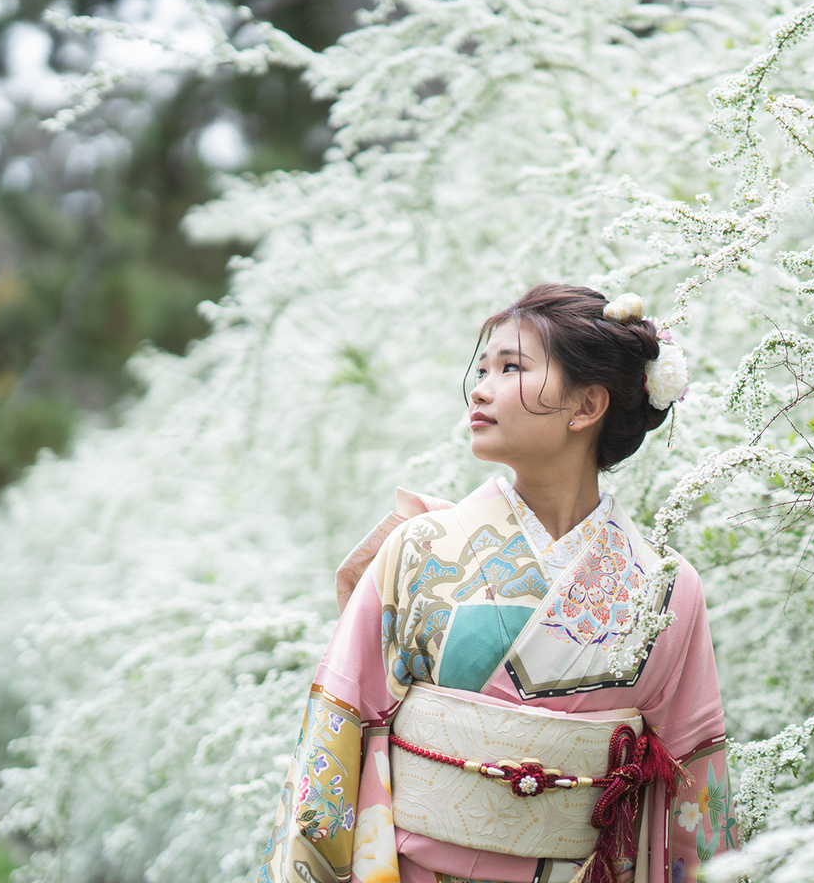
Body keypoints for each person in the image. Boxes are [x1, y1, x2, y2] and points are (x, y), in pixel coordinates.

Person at [259, 284, 735, 883]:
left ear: (586, 405)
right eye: (482, 368)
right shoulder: (419, 548)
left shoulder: (666, 589)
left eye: (511, 367)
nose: (480, 389)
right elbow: (338, 726)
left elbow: (694, 784)